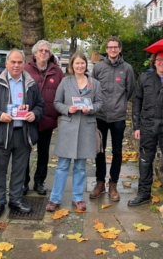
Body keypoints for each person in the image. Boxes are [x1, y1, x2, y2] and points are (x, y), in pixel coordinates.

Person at [0, 49, 45, 219]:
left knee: (19, 170)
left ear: (24, 64)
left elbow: (40, 105)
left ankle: (15, 199)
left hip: (23, 133)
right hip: (1, 132)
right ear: (6, 63)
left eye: (19, 62)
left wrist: (35, 114)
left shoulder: (31, 84)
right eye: (13, 62)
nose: (16, 65)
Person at [46, 52, 103, 212]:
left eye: (82, 63)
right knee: (62, 165)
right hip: (68, 127)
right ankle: (55, 199)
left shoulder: (94, 83)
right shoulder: (65, 82)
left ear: (86, 65)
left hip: (86, 127)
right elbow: (56, 102)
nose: (80, 66)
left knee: (80, 166)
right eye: (77, 63)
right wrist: (67, 109)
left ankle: (78, 198)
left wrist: (90, 109)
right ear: (72, 65)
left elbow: (99, 103)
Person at [128, 50, 163, 206]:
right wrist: (136, 126)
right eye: (159, 59)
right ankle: (144, 193)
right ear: (154, 61)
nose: (162, 62)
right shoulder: (145, 78)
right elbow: (136, 102)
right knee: (145, 160)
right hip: (147, 124)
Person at [90, 36, 134, 201]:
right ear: (106, 49)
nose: (113, 50)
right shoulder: (98, 67)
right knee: (99, 150)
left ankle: (113, 183)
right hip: (100, 115)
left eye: (116, 47)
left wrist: (120, 105)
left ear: (120, 49)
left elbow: (129, 91)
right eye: (110, 47)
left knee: (117, 151)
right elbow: (92, 89)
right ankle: (100, 182)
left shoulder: (127, 69)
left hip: (117, 117)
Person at [24, 40, 65, 195]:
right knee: (25, 152)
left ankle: (39, 182)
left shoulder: (57, 71)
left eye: (46, 51)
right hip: (28, 118)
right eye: (40, 50)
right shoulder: (25, 69)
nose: (43, 53)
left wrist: (58, 112)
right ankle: (23, 182)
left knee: (43, 153)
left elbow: (63, 93)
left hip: (47, 118)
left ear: (50, 54)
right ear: (35, 53)